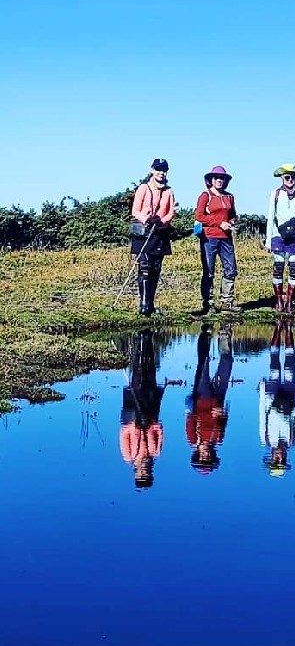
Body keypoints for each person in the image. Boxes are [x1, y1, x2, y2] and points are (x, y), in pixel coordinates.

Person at [119, 330, 165, 489]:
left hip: (132, 413)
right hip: (150, 412)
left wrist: (136, 425)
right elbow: (160, 430)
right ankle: (148, 341)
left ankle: (140, 343)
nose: (144, 472)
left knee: (138, 377)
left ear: (136, 473)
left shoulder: (128, 455)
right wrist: (151, 424)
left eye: (142, 475)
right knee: (150, 373)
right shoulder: (156, 453)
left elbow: (124, 432)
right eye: (146, 475)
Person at [185, 322, 233, 473]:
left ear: (197, 455)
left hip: (202, 399)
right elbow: (224, 419)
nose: (205, 456)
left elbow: (190, 417)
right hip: (218, 398)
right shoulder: (218, 439)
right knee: (227, 362)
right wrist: (221, 412)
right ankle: (225, 333)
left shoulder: (193, 439)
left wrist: (206, 412)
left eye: (202, 458)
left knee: (204, 363)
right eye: (207, 459)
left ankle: (206, 333)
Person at [259, 321, 295, 477]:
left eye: (275, 460)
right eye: (281, 460)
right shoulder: (292, 440)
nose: (278, 457)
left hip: (271, 397)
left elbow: (262, 416)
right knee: (289, 369)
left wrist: (262, 393)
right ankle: (289, 330)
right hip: (290, 400)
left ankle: (278, 330)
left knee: (274, 368)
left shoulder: (265, 438)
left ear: (271, 458)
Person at [130, 158, 175, 316]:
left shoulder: (169, 191)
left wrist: (162, 221)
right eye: (158, 169)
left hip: (160, 233)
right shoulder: (143, 188)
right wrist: (146, 219)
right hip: (144, 233)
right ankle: (143, 303)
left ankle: (150, 303)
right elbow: (135, 210)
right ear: (152, 170)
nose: (161, 173)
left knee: (156, 268)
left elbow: (171, 212)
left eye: (164, 170)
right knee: (144, 268)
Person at [195, 165, 240, 315]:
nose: (219, 180)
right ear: (211, 180)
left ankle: (227, 301)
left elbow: (233, 215)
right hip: (209, 238)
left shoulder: (229, 197)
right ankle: (208, 303)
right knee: (209, 271)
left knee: (231, 268)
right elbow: (199, 216)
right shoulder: (205, 196)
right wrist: (219, 222)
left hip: (226, 238)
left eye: (222, 178)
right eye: (217, 178)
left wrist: (232, 222)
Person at [265, 164, 295, 314]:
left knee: (293, 267)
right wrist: (268, 240)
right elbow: (270, 217)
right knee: (278, 267)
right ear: (282, 179)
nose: (291, 180)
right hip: (278, 235)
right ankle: (279, 300)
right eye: (287, 177)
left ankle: (289, 302)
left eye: (293, 177)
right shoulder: (275, 194)